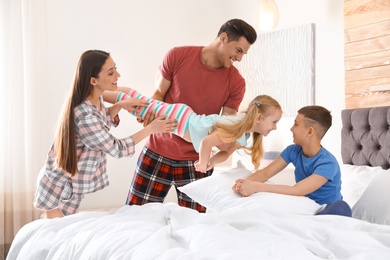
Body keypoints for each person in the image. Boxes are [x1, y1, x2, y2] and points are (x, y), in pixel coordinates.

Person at [123, 18, 257, 212]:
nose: (239, 58)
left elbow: (224, 128)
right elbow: (158, 96)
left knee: (196, 226)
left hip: (196, 162)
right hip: (157, 151)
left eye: (243, 53)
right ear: (223, 37)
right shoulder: (177, 55)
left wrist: (228, 146)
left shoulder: (236, 83)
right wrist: (148, 116)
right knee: (134, 216)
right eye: (238, 50)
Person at [33, 50, 177, 219]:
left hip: (69, 185)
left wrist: (120, 105)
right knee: (57, 234)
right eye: (111, 73)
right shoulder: (85, 116)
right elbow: (117, 148)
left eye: (115, 69)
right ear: (93, 80)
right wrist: (151, 129)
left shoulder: (93, 100)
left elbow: (101, 121)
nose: (118, 75)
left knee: (65, 230)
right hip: (57, 189)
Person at [104, 88, 282, 172]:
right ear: (259, 118)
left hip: (184, 120)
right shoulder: (237, 127)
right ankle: (98, 93)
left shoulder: (243, 132)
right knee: (138, 104)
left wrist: (211, 162)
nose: (275, 127)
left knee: (140, 100)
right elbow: (206, 142)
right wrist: (202, 162)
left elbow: (226, 153)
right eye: (274, 122)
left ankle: (103, 91)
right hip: (181, 119)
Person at [232, 106, 352, 217]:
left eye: (296, 124)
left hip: (326, 209)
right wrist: (243, 184)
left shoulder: (327, 163)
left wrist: (257, 186)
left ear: (310, 132)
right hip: (304, 207)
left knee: (342, 207)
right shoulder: (293, 151)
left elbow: (297, 190)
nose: (291, 128)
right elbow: (265, 173)